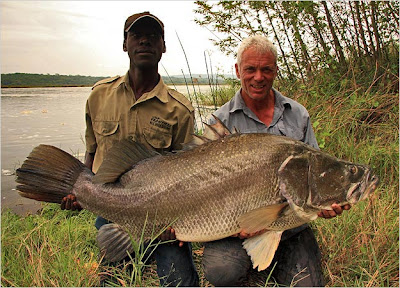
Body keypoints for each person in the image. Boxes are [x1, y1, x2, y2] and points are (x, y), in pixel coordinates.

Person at [61, 11, 199, 287]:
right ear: (125, 44)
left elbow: (188, 173)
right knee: (111, 281)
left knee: (181, 282)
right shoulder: (99, 95)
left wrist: (177, 222)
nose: (144, 42)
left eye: (152, 37)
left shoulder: (180, 109)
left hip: (163, 215)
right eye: (136, 36)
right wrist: (77, 191)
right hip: (113, 208)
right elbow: (91, 153)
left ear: (163, 47)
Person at [204, 35, 351, 287]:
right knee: (221, 271)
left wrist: (324, 204)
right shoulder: (220, 121)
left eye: (266, 69)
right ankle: (254, 267)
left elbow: (314, 174)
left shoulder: (298, 114)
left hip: (291, 229)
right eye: (250, 69)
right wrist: (243, 225)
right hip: (233, 231)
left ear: (275, 71)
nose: (258, 77)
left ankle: (274, 262)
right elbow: (205, 187)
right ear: (238, 70)